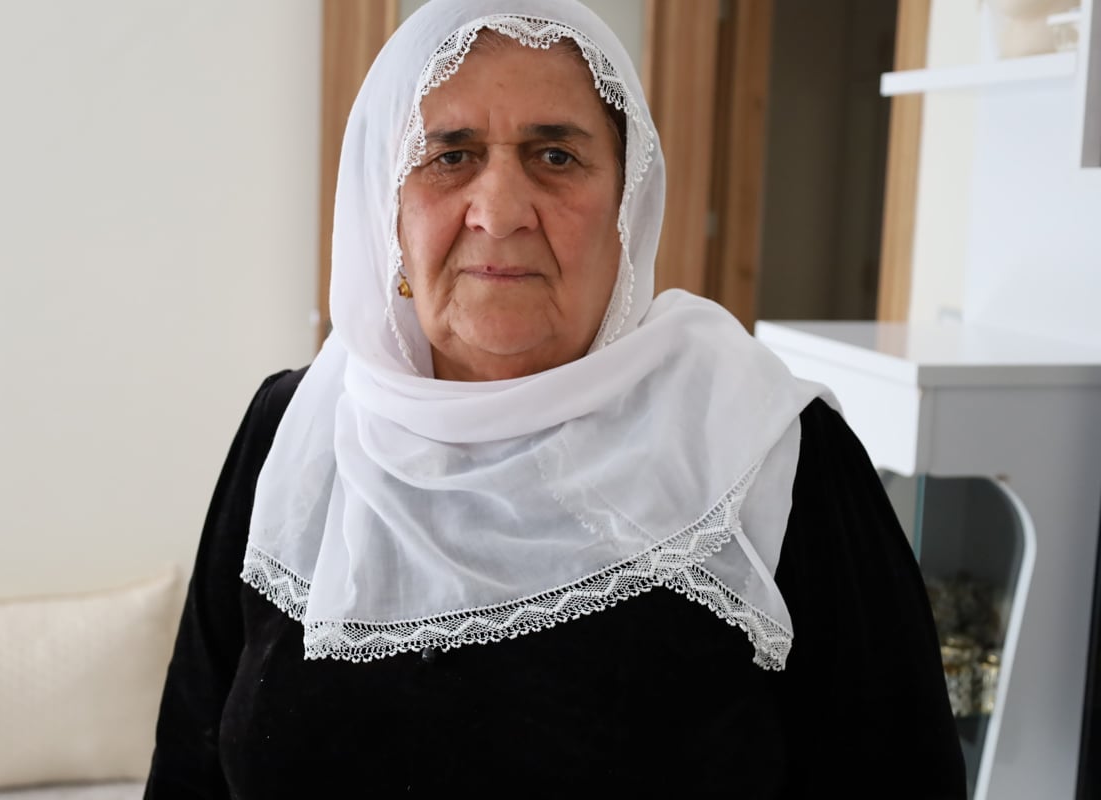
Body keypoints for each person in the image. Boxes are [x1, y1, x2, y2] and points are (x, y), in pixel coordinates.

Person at [146, 0, 966, 796]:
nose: (500, 213)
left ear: (627, 203)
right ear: (387, 209)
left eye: (556, 155)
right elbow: (190, 768)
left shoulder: (766, 450)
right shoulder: (293, 429)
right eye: (450, 156)